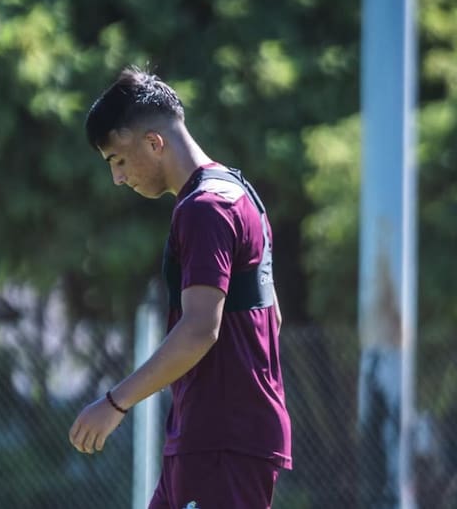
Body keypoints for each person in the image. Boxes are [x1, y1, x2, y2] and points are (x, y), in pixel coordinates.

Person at [69, 66, 292, 509]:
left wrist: (115, 403)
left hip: (220, 444)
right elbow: (274, 318)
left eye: (118, 160)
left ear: (153, 143)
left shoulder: (204, 209)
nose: (117, 177)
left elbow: (199, 330)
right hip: (210, 437)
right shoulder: (239, 193)